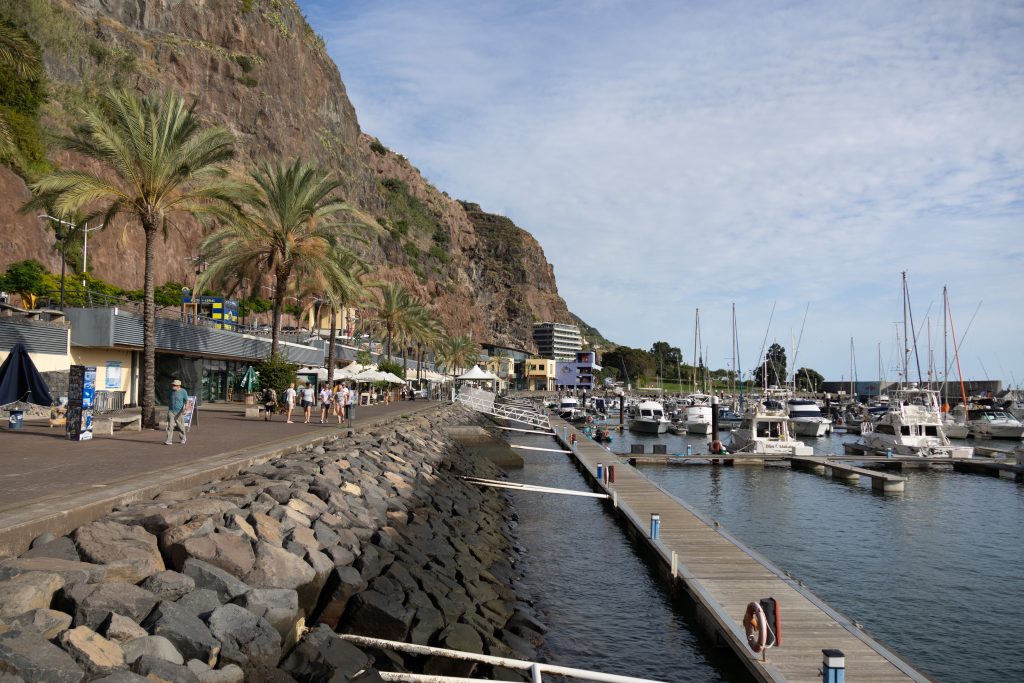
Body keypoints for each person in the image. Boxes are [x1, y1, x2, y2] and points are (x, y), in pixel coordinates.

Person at [165, 379, 189, 445]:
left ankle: (183, 438)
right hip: (171, 411)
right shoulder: (170, 391)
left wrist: (186, 409)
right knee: (170, 426)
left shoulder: (183, 391)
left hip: (179, 412)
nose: (173, 386)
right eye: (172, 384)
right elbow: (169, 399)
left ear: (178, 386)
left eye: (174, 385)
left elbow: (187, 401)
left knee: (180, 426)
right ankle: (169, 440)